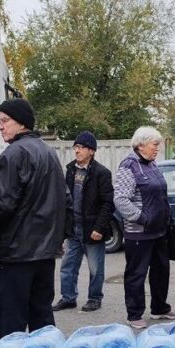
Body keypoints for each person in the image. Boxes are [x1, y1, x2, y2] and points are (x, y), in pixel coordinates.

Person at [0, 98, 71, 336]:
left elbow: (1, 202)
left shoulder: (13, 154)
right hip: (45, 252)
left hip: (18, 252)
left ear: (22, 123)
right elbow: (66, 201)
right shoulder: (49, 153)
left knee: (11, 321)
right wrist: (60, 236)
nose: (0, 127)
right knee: (42, 315)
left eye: (5, 120)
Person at [113, 126, 175, 329]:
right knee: (136, 274)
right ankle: (134, 314)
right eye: (154, 144)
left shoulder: (152, 165)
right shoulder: (128, 167)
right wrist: (142, 218)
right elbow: (121, 199)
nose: (157, 148)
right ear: (141, 144)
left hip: (159, 230)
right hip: (139, 231)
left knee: (161, 271)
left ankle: (159, 308)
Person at [52, 131, 115, 313]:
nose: (77, 151)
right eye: (76, 147)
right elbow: (65, 200)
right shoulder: (70, 169)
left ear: (91, 151)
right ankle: (68, 298)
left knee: (96, 268)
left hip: (93, 229)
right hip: (74, 228)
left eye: (81, 147)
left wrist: (99, 227)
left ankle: (94, 298)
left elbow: (108, 203)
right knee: (68, 266)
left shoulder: (102, 173)